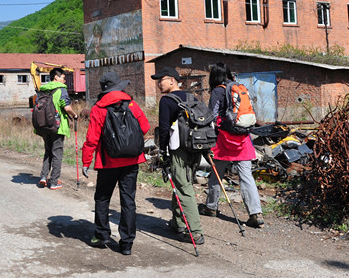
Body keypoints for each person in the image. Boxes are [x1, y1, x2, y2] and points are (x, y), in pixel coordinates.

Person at [81, 71, 149, 256]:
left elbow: (92, 139)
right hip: (132, 160)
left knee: (102, 198)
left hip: (107, 162)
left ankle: (102, 235)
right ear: (119, 86)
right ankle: (126, 243)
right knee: (128, 200)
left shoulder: (98, 108)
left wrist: (86, 162)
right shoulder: (132, 104)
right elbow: (145, 127)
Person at [200, 62, 265, 228]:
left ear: (213, 76)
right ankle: (255, 213)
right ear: (228, 73)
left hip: (224, 140)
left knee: (216, 174)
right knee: (247, 177)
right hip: (243, 139)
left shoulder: (217, 91)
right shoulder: (239, 88)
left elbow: (211, 116)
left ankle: (211, 207)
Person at [152, 66, 205, 244]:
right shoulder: (191, 97)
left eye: (161, 80)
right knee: (182, 181)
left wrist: (163, 152)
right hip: (195, 148)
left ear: (172, 80)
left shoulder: (167, 100)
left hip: (179, 149)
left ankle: (195, 231)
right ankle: (178, 222)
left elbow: (164, 129)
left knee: (183, 187)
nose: (158, 84)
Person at [36, 67, 78, 190]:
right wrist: (75, 115)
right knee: (57, 154)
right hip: (57, 127)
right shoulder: (61, 90)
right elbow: (67, 108)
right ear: (56, 77)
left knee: (48, 151)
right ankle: (54, 182)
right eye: (63, 78)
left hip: (44, 126)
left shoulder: (43, 90)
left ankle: (44, 177)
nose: (64, 81)